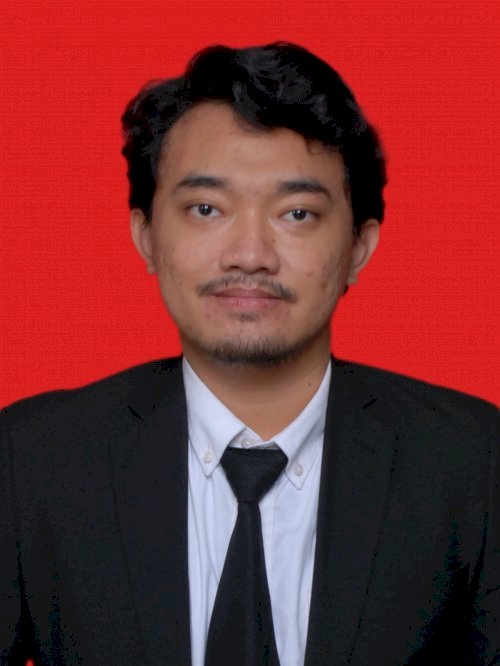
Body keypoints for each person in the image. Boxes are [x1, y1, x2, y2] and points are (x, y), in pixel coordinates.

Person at [0, 42, 498, 666]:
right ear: (146, 236)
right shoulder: (29, 460)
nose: (250, 255)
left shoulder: (474, 462)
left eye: (297, 213)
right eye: (206, 209)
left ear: (359, 247)